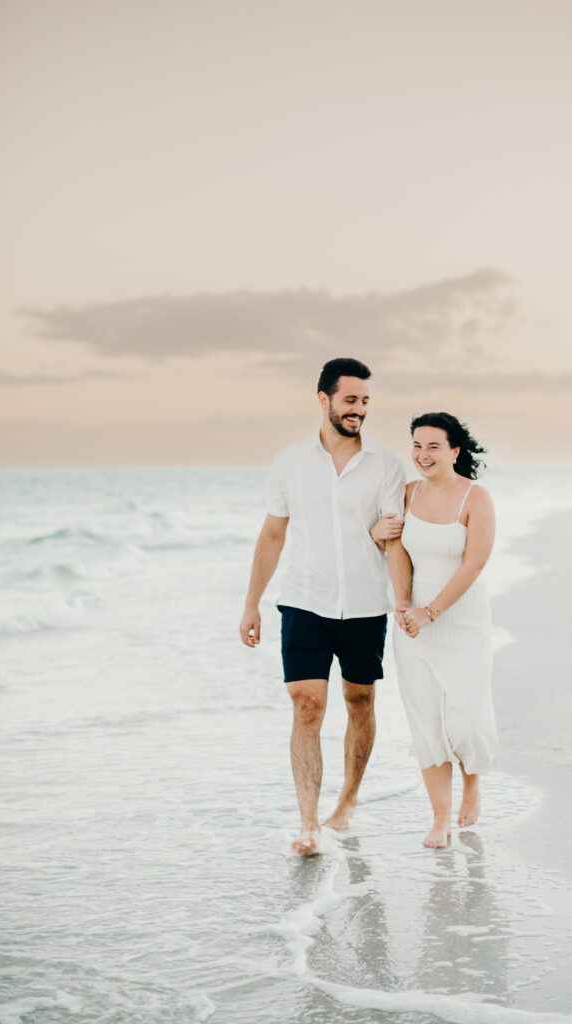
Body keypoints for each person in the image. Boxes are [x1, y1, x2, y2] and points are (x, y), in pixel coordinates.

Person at [239, 357, 406, 857]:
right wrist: (252, 604)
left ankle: (348, 800)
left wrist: (404, 604)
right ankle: (308, 822)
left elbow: (394, 538)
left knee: (360, 702)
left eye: (365, 401)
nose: (359, 410)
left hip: (364, 603)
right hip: (304, 601)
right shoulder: (289, 462)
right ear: (324, 400)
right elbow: (273, 532)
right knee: (307, 705)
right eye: (351, 400)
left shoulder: (386, 464)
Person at [372, 412, 498, 849]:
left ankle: (473, 782)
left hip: (460, 619)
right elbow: (396, 550)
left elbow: (474, 564)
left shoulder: (475, 499)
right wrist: (405, 604)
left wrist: (432, 611)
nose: (423, 455)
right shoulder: (407, 494)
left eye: (434, 447)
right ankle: (440, 819)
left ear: (455, 451)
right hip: (412, 623)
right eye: (417, 446)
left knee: (467, 723)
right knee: (425, 722)